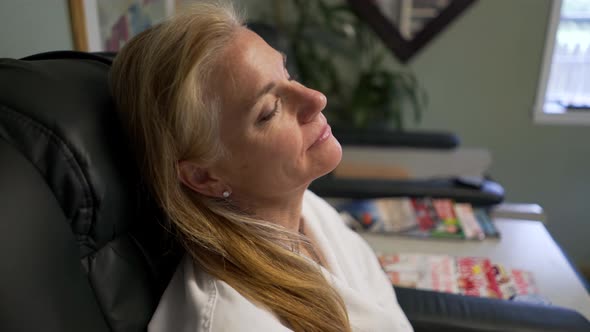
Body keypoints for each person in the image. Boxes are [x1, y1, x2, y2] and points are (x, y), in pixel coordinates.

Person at [110, 1, 412, 331]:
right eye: (269, 111)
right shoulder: (233, 322)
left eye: (289, 75)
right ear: (203, 175)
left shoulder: (307, 211)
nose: (317, 99)